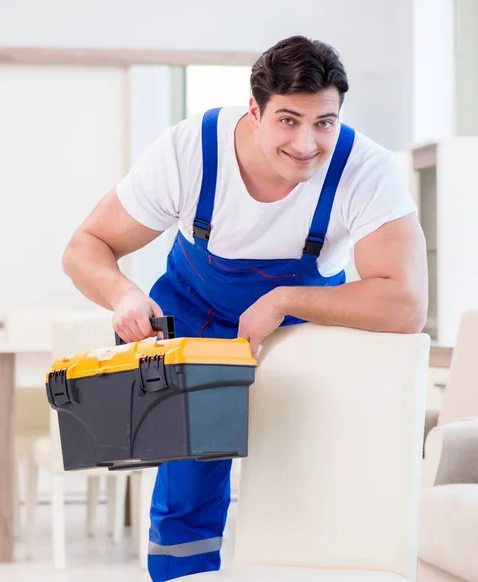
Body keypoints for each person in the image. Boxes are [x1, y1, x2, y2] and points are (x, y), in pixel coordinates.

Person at [61, 35, 428, 581]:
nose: (307, 143)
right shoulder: (191, 151)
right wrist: (124, 295)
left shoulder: (364, 170)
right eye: (288, 120)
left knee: (300, 474)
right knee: (189, 485)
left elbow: (405, 303)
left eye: (324, 122)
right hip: (193, 316)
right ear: (254, 111)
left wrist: (283, 299)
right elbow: (84, 246)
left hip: (297, 331)